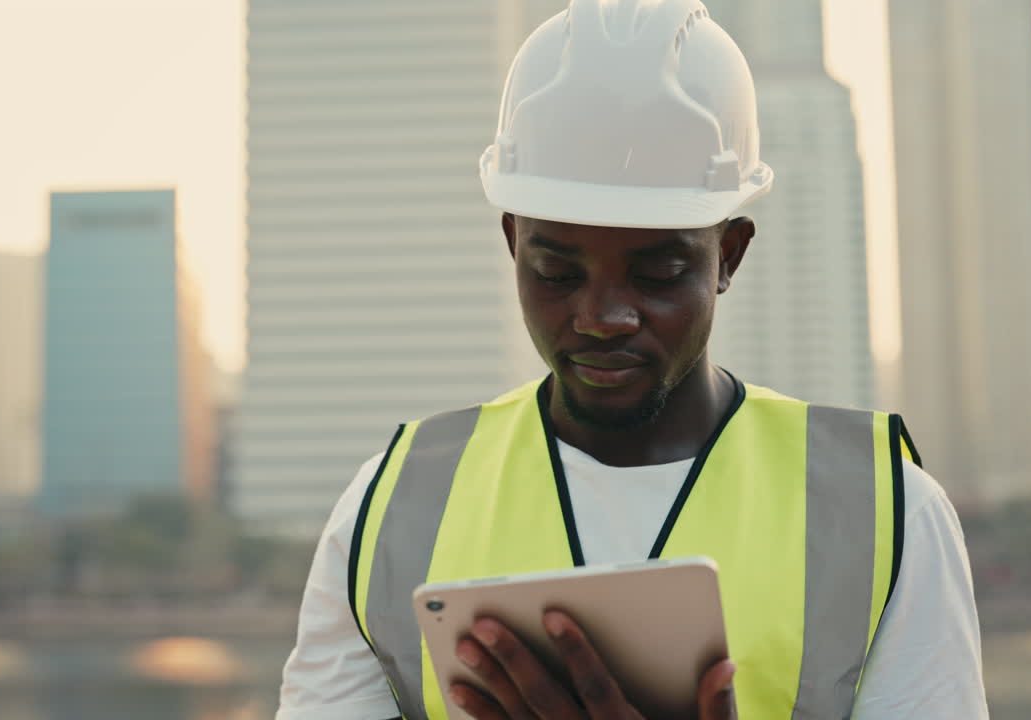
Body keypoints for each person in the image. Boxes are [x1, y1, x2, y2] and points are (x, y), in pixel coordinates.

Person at [276, 0, 988, 718]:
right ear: (512, 244)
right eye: (558, 272)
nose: (602, 317)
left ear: (728, 255)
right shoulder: (393, 506)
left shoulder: (882, 510)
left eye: (656, 274)